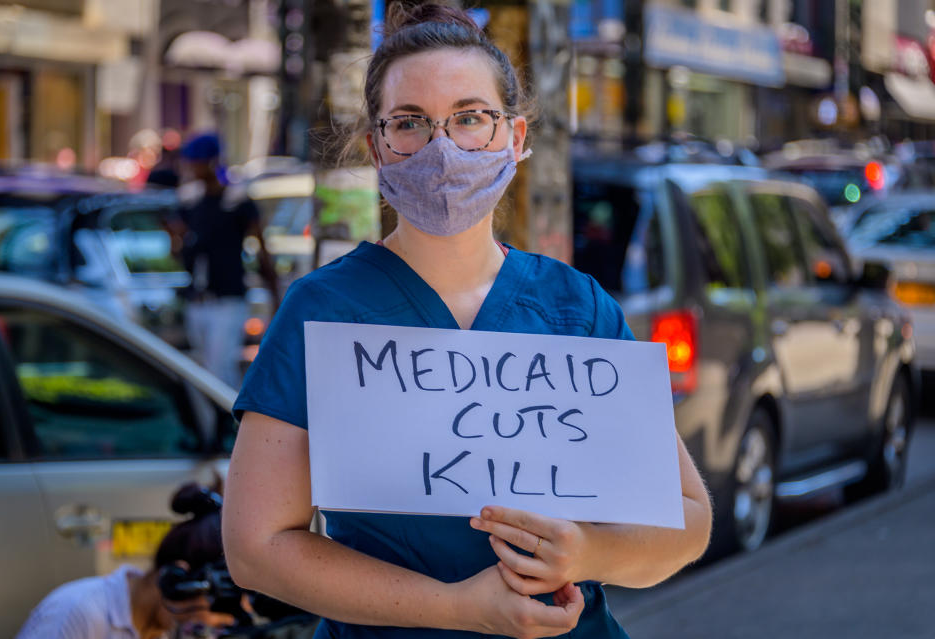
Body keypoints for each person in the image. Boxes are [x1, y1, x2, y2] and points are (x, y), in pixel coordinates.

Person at [222, 4, 712, 638]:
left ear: (512, 135)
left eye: (470, 118)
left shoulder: (578, 307)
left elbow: (688, 518)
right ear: (377, 146)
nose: (442, 147)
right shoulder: (322, 314)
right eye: (410, 123)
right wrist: (457, 608)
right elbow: (256, 546)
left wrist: (590, 554)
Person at [16, 483, 239, 639]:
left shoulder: (169, 629)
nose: (219, 628)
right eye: (219, 619)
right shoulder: (78, 611)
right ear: (177, 581)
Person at [176, 133, 279, 387]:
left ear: (212, 162)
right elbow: (181, 251)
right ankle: (212, 424)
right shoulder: (190, 201)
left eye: (197, 162)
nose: (192, 168)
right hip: (198, 299)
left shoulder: (237, 200)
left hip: (229, 298)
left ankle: (229, 422)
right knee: (201, 372)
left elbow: (259, 245)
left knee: (219, 369)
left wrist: (274, 290)